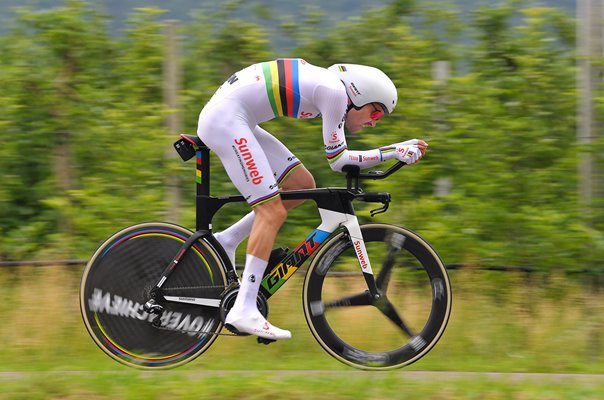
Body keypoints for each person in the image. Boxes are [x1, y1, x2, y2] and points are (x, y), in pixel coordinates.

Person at [197, 58, 427, 341]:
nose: (373, 123)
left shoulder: (331, 90)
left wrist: (392, 150)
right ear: (359, 95)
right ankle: (244, 309)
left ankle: (228, 240)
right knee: (271, 212)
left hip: (235, 116)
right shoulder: (334, 93)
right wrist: (392, 151)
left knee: (301, 184)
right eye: (375, 113)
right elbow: (339, 160)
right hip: (227, 120)